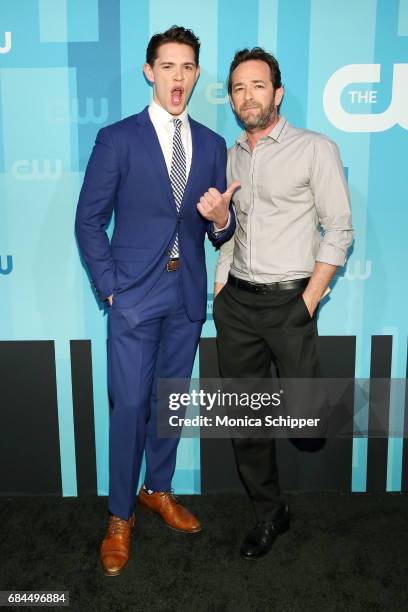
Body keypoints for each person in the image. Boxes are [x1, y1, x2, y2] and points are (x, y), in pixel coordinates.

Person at [75, 26, 236, 577]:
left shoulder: (214, 145)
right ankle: (120, 517)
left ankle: (157, 489)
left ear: (196, 75)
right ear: (150, 71)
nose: (178, 76)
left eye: (187, 67)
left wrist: (222, 220)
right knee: (131, 407)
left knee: (170, 402)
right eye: (167, 66)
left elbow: (217, 229)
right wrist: (111, 286)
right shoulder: (117, 138)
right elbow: (88, 221)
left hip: (186, 294)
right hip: (135, 297)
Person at [213, 48, 353, 560]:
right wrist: (221, 284)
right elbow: (229, 228)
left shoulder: (316, 148)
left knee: (306, 422)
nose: (247, 96)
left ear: (277, 92)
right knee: (245, 422)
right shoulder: (229, 156)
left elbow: (339, 229)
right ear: (230, 98)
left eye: (257, 86)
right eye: (238, 88)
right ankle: (271, 514)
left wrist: (309, 301)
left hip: (291, 304)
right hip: (238, 308)